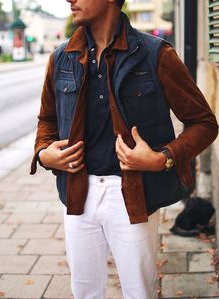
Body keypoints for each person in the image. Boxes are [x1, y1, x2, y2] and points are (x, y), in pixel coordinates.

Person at [30, 0, 218, 298]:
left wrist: (162, 158)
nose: (69, 0)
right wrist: (43, 154)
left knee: (138, 292)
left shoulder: (156, 54)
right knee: (85, 292)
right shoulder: (61, 57)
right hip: (78, 194)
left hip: (133, 195)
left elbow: (204, 123)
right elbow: (47, 121)